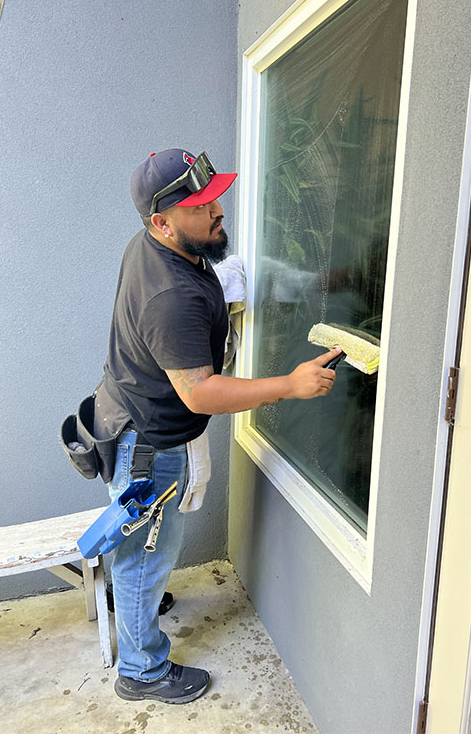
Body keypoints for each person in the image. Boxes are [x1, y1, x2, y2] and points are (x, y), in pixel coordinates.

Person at [93, 148, 341, 705]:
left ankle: (135, 599)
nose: (218, 209)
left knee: (141, 551)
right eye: (201, 204)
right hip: (148, 445)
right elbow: (199, 390)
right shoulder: (171, 294)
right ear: (163, 221)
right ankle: (142, 670)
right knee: (147, 553)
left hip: (134, 416)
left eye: (214, 196)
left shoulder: (164, 247)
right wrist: (289, 385)